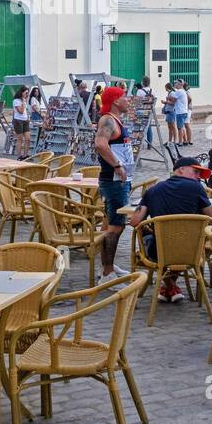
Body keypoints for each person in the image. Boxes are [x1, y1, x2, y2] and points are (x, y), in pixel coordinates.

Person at [127, 156, 212, 303]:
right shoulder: (196, 188)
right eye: (196, 172)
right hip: (190, 250)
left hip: (158, 251)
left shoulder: (152, 190)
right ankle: (170, 286)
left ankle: (168, 286)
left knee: (149, 235)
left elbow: (135, 222)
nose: (199, 177)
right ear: (181, 170)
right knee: (183, 240)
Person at [94, 86, 135, 283]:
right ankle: (107, 274)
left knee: (112, 225)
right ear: (116, 100)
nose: (128, 100)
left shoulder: (115, 120)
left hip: (119, 180)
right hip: (114, 180)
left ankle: (107, 267)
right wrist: (118, 166)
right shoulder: (108, 120)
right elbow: (100, 144)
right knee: (116, 227)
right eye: (124, 97)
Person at [11, 86, 32, 157]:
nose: (27, 95)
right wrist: (23, 101)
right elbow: (21, 111)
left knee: (28, 139)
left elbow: (25, 111)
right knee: (20, 139)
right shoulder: (16, 101)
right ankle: (19, 156)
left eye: (28, 93)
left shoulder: (24, 101)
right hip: (18, 121)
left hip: (25, 121)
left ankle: (25, 155)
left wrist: (28, 117)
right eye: (26, 93)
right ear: (22, 92)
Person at [171, 79, 191, 144]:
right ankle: (185, 140)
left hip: (180, 112)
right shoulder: (183, 91)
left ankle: (180, 142)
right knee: (182, 127)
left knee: (179, 128)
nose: (175, 84)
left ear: (180, 84)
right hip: (184, 111)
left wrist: (168, 99)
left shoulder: (179, 91)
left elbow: (173, 100)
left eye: (176, 83)